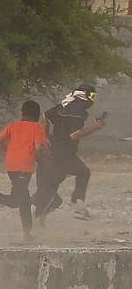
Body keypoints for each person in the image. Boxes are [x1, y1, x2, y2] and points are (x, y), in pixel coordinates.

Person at [33, 85, 107, 222]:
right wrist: (96, 127)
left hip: (54, 151)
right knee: (84, 173)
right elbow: (74, 135)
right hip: (64, 153)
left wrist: (46, 137)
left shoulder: (64, 105)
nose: (92, 100)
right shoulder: (77, 111)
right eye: (92, 96)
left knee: (51, 186)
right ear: (84, 95)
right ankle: (78, 205)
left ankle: (38, 217)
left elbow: (45, 117)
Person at [0, 99, 47, 239]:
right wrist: (42, 162)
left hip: (11, 165)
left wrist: (7, 150)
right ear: (37, 115)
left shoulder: (13, 126)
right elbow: (37, 148)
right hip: (24, 167)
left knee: (20, 200)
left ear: (22, 113)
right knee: (21, 201)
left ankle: (26, 233)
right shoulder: (37, 128)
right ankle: (27, 233)